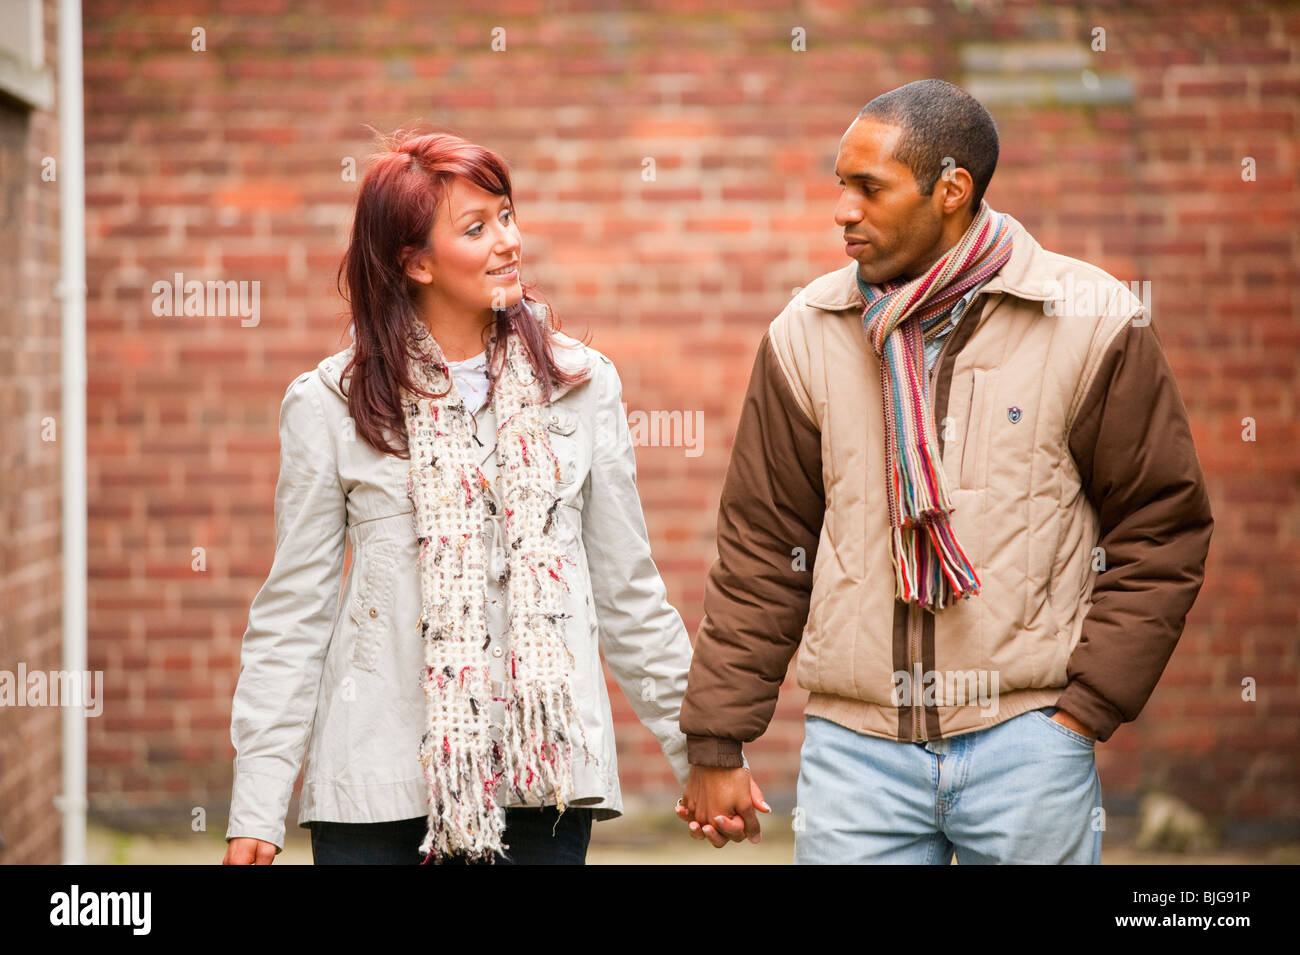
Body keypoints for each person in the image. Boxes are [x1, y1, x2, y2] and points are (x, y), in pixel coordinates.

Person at [674, 79, 1214, 863]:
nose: (843, 210)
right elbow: (764, 549)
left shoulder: (1091, 321)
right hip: (856, 755)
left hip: (1028, 743)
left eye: (869, 187)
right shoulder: (806, 333)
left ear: (951, 189)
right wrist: (716, 738)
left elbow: (1162, 525)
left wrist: (1087, 707)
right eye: (840, 186)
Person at [221, 127, 694, 865]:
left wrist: (703, 758)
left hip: (543, 784)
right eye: (476, 228)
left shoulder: (581, 387)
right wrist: (257, 804)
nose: (508, 240)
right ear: (414, 261)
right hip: (376, 786)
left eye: (506, 215)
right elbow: (294, 614)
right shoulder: (329, 404)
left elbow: (629, 589)